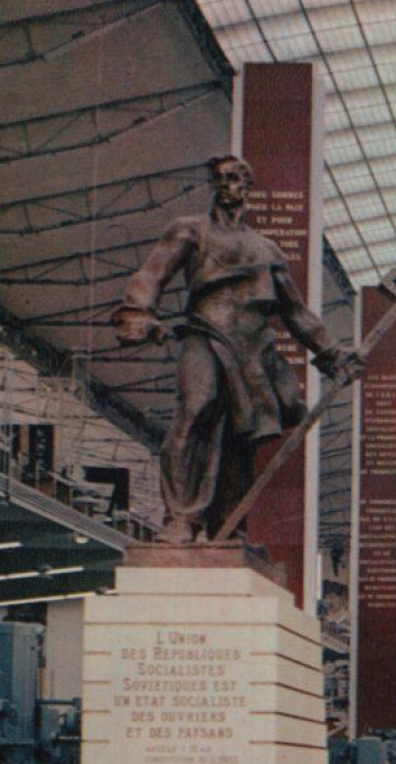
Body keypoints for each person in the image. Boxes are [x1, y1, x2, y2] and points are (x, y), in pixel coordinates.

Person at [114, 155, 362, 544]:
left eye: (234, 178)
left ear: (247, 187)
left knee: (239, 439)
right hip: (206, 335)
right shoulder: (190, 231)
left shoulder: (266, 249)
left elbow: (295, 311)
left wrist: (332, 352)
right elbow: (152, 273)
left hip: (253, 351)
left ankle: (229, 525)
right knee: (196, 410)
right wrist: (139, 310)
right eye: (219, 179)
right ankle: (181, 518)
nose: (226, 185)